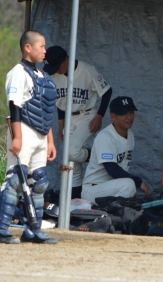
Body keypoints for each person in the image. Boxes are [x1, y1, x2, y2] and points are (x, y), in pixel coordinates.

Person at [0, 30, 58, 245]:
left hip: (40, 135)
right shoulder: (18, 72)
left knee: (39, 182)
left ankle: (32, 231)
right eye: (41, 46)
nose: (45, 51)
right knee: (15, 181)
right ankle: (0, 229)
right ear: (28, 47)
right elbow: (15, 106)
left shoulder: (42, 76)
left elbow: (45, 111)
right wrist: (17, 137)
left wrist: (50, 141)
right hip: (24, 131)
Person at [43, 46, 112, 199]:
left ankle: (98, 157)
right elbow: (61, 101)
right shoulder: (55, 75)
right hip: (69, 117)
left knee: (72, 152)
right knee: (71, 164)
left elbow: (107, 91)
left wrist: (99, 116)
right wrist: (61, 124)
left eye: (57, 66)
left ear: (67, 60)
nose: (55, 70)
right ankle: (75, 202)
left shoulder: (86, 70)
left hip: (87, 116)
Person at [81, 96, 152, 203]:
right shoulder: (105, 136)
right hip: (93, 189)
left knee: (129, 186)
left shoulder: (130, 135)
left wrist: (125, 190)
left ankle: (115, 207)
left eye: (131, 112)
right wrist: (138, 182)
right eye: (123, 113)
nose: (129, 117)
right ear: (113, 116)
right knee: (129, 184)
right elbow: (112, 169)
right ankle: (108, 209)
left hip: (110, 187)